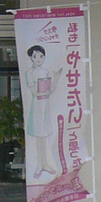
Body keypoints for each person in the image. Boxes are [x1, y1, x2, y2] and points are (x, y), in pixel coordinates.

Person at [24, 44, 62, 179]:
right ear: (31, 58)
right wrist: (44, 92)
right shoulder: (29, 73)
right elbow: (34, 93)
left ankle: (44, 163)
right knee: (39, 136)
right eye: (35, 56)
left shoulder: (46, 71)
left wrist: (56, 78)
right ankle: (39, 164)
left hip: (46, 105)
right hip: (37, 106)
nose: (38, 59)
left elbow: (51, 90)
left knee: (44, 135)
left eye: (41, 56)